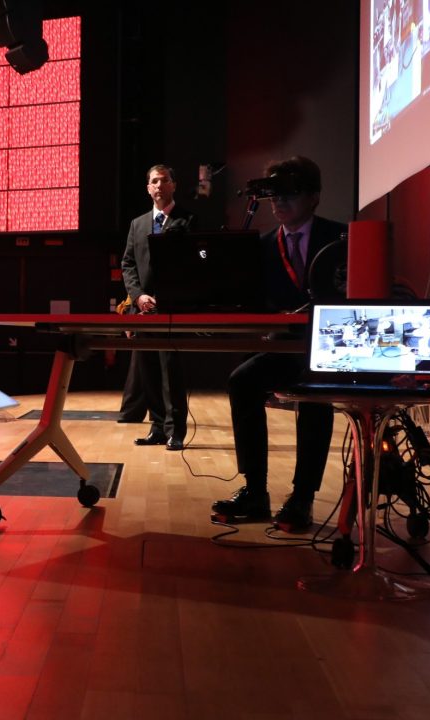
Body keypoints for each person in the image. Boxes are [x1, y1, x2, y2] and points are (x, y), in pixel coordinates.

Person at [212, 155, 348, 531]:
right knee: (242, 381)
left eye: (289, 192)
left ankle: (302, 497)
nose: (279, 201)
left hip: (330, 352)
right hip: (284, 349)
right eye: (274, 193)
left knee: (315, 393)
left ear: (314, 197)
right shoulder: (262, 246)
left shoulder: (342, 239)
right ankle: (255, 491)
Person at [119, 164, 194, 449]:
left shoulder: (188, 220)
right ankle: (158, 427)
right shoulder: (137, 224)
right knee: (148, 372)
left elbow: (193, 264)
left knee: (170, 372)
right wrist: (138, 296)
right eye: (154, 181)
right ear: (148, 188)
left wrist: (166, 295)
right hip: (143, 310)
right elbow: (128, 264)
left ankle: (176, 431)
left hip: (171, 309)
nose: (159, 185)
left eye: (164, 180)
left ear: (174, 185)